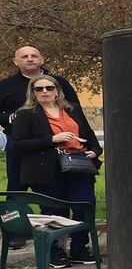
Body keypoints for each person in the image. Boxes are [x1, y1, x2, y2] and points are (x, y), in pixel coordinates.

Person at [8, 74, 100, 267]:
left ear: (56, 90)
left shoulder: (71, 110)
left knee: (85, 205)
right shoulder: (26, 114)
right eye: (39, 89)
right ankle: (55, 253)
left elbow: (89, 134)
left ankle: (79, 248)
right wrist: (51, 140)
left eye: (49, 88)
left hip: (77, 164)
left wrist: (94, 150)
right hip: (46, 169)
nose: (44, 92)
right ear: (32, 92)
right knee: (53, 211)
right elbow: (18, 144)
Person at [1, 45, 82, 190]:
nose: (30, 59)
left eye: (34, 56)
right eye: (24, 57)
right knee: (16, 185)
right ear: (15, 61)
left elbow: (74, 110)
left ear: (42, 59)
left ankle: (53, 210)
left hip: (56, 141)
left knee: (53, 187)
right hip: (18, 141)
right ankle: (15, 211)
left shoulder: (59, 83)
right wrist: (9, 118)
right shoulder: (5, 86)